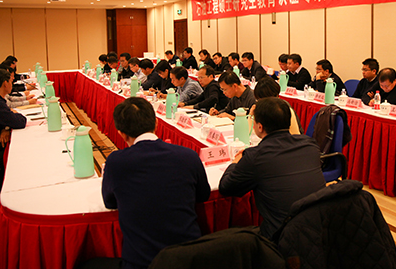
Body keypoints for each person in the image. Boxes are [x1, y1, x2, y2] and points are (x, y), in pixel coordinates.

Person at [102, 97, 210, 269]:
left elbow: (110, 202)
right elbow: (203, 195)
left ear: (121, 133)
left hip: (142, 263)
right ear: (157, 124)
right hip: (189, 258)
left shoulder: (116, 162)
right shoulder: (188, 155)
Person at [219, 97, 326, 239]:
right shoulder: (310, 145)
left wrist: (235, 162)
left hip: (282, 236)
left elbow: (226, 188)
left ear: (259, 127)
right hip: (321, 227)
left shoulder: (255, 156)